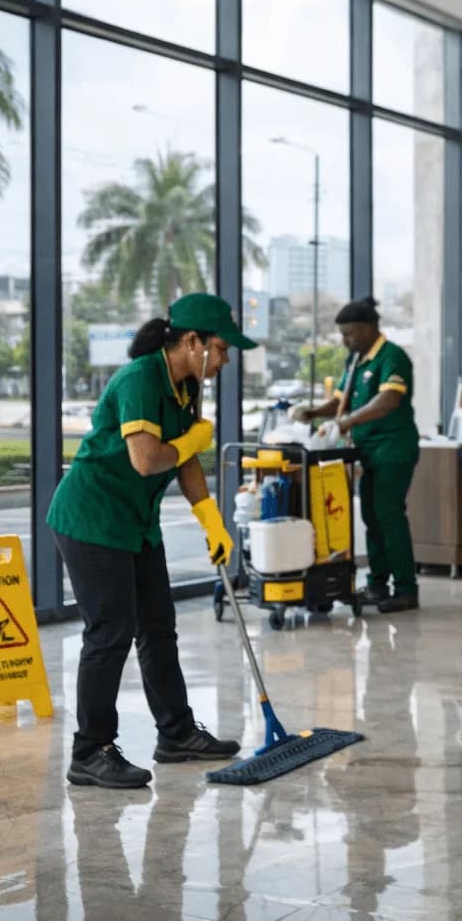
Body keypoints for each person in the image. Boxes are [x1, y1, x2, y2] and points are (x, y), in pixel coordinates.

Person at [46, 292, 253, 789]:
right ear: (192, 341)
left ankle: (176, 734)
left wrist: (212, 521)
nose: (225, 361)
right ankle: (90, 751)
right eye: (221, 349)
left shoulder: (185, 389)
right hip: (92, 520)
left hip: (135, 523)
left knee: (158, 626)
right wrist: (192, 441)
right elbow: (146, 458)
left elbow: (184, 463)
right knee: (110, 632)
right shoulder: (141, 378)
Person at [293, 297, 420, 613]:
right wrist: (311, 413)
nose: (344, 340)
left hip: (393, 449)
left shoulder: (392, 357)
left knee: (388, 516)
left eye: (349, 333)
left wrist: (346, 422)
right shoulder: (356, 361)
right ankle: (378, 585)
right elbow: (340, 402)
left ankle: (405, 589)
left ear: (368, 328)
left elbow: (388, 399)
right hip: (366, 452)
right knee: (371, 518)